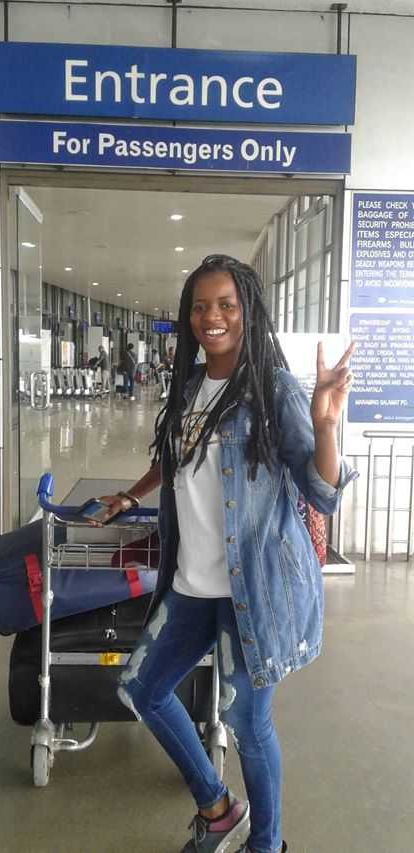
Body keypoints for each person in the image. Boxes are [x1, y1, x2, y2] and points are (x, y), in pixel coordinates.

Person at [93, 255, 357, 853]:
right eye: (200, 306)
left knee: (248, 725)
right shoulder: (188, 388)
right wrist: (129, 496)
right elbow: (175, 456)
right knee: (142, 688)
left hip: (252, 592)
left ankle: (268, 845)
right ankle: (217, 808)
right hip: (191, 586)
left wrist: (324, 427)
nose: (211, 317)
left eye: (226, 305)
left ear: (248, 313)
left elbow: (323, 491)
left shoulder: (273, 392)